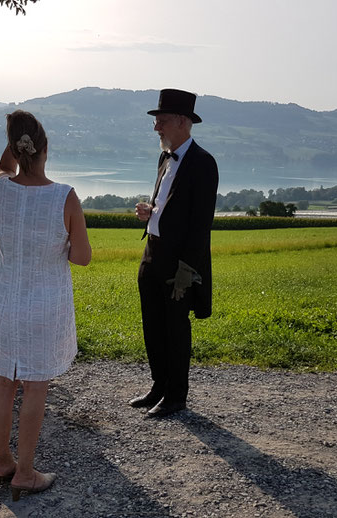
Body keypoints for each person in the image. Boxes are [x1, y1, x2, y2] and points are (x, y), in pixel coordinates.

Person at [0, 110, 92, 500]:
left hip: (5, 300)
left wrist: (14, 143)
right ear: (45, 150)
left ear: (15, 149)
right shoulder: (65, 196)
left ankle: (2, 460)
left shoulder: (0, 188)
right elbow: (81, 257)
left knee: (4, 382)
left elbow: (3, 165)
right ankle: (25, 472)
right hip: (43, 303)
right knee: (36, 387)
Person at [130, 89, 219, 418]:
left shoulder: (204, 163)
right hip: (151, 253)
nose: (156, 128)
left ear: (182, 122)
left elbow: (200, 225)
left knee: (175, 328)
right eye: (156, 121)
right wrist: (149, 212)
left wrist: (187, 271)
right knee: (152, 324)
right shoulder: (164, 157)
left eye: (162, 121)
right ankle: (158, 385)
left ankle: (176, 395)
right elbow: (170, 208)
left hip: (178, 263)